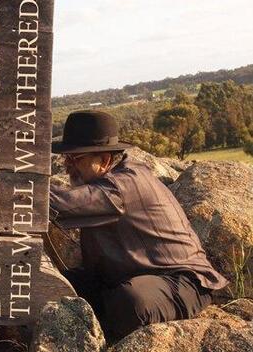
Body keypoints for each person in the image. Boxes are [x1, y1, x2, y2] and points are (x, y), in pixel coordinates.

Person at [49, 110, 229, 340]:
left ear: (104, 160)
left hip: (182, 282)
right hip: (125, 278)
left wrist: (18, 185)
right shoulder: (108, 181)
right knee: (59, 287)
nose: (67, 165)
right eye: (66, 158)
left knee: (131, 301)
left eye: (75, 159)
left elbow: (62, 204)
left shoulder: (125, 184)